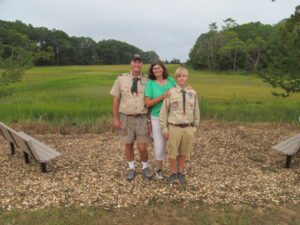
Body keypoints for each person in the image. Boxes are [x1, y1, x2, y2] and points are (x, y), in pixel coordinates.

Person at [110, 54, 154, 181]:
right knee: (128, 144)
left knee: (142, 147)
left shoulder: (147, 81)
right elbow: (116, 99)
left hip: (142, 118)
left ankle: (145, 167)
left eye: (139, 62)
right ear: (131, 63)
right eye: (134, 62)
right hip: (126, 118)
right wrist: (115, 118)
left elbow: (150, 101)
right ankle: (131, 168)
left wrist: (150, 119)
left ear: (142, 64)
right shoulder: (121, 79)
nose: (137, 64)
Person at [159, 66, 200, 184]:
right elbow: (163, 112)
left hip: (188, 127)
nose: (182, 78)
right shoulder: (170, 93)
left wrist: (195, 127)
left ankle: (181, 172)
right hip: (174, 127)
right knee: (173, 152)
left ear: (187, 78)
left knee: (184, 152)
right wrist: (164, 128)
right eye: (179, 76)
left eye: (184, 76)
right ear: (176, 78)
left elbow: (196, 110)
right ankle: (173, 172)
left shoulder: (192, 93)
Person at [144, 61, 176, 179]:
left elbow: (179, 92)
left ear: (163, 69)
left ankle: (175, 171)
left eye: (159, 68)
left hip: (173, 117)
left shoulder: (171, 80)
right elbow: (147, 104)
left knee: (174, 144)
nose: (157, 70)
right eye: (154, 69)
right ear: (152, 71)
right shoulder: (150, 84)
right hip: (157, 117)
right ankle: (159, 170)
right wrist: (162, 97)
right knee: (159, 144)